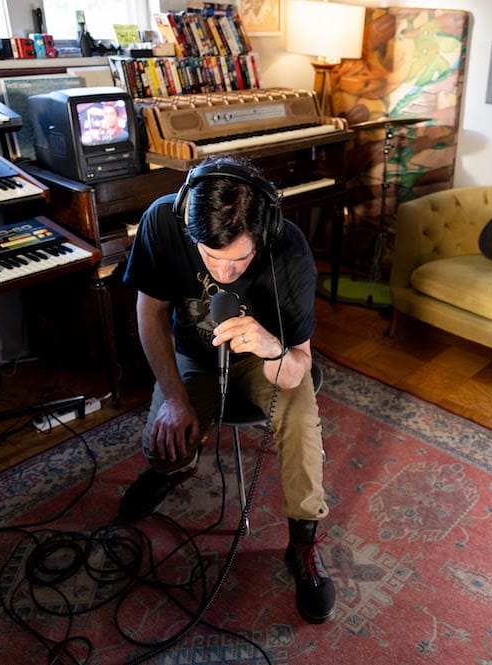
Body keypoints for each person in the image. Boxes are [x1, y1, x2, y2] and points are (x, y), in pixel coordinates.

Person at [118, 155, 335, 624]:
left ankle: (303, 542)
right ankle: (170, 471)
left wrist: (271, 347)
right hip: (194, 359)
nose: (223, 272)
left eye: (239, 259)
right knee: (164, 448)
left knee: (300, 418)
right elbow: (149, 313)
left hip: (266, 359)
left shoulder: (291, 249)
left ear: (264, 232)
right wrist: (174, 398)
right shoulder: (161, 220)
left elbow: (299, 366)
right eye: (210, 256)